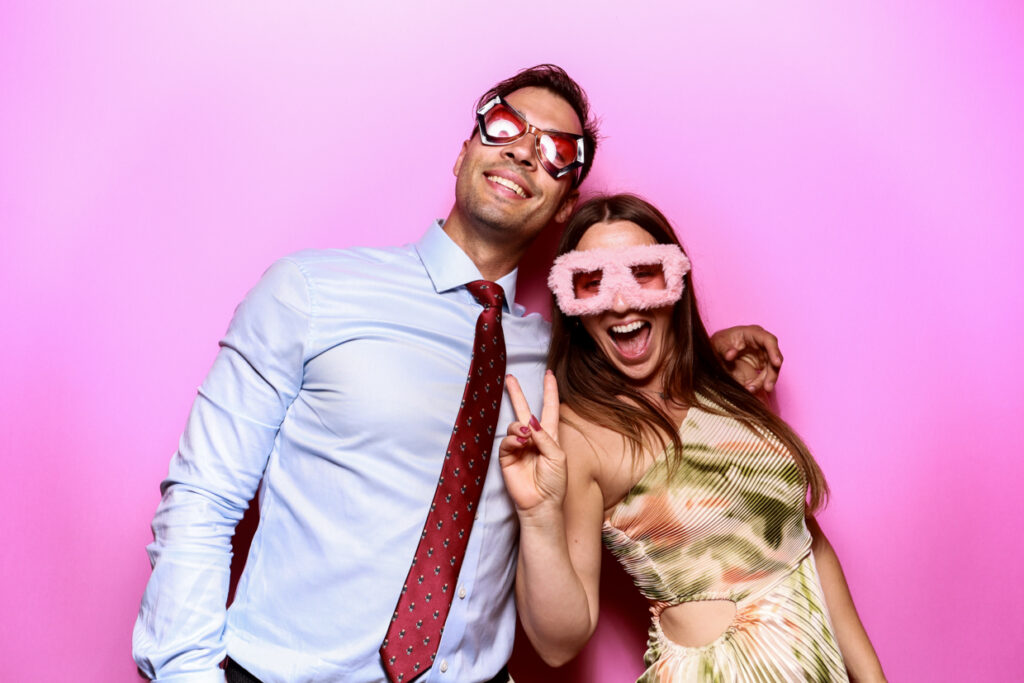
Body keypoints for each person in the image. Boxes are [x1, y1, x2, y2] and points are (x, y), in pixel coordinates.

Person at [132, 66, 784, 683]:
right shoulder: (311, 291)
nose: (527, 151)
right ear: (465, 150)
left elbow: (635, 376)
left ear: (565, 204)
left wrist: (702, 358)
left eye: (558, 150)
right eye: (505, 126)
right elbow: (202, 499)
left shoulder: (559, 366)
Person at [500, 194, 886, 682]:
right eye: (593, 282)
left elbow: (803, 541)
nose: (621, 300)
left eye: (643, 272)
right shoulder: (581, 437)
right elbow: (558, 644)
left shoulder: (721, 389)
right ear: (573, 307)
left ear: (675, 281)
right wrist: (537, 518)